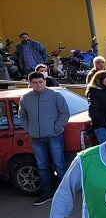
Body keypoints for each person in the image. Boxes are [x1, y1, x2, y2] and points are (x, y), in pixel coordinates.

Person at [19, 71, 70, 205]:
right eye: (35, 82)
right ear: (30, 84)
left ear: (45, 82)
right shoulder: (25, 98)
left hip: (54, 136)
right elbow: (22, 116)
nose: (38, 85)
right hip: (36, 138)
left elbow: (65, 113)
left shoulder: (55, 95)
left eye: (41, 82)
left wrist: (56, 128)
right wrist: (29, 129)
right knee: (42, 167)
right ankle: (47, 193)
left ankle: (64, 193)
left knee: (59, 165)